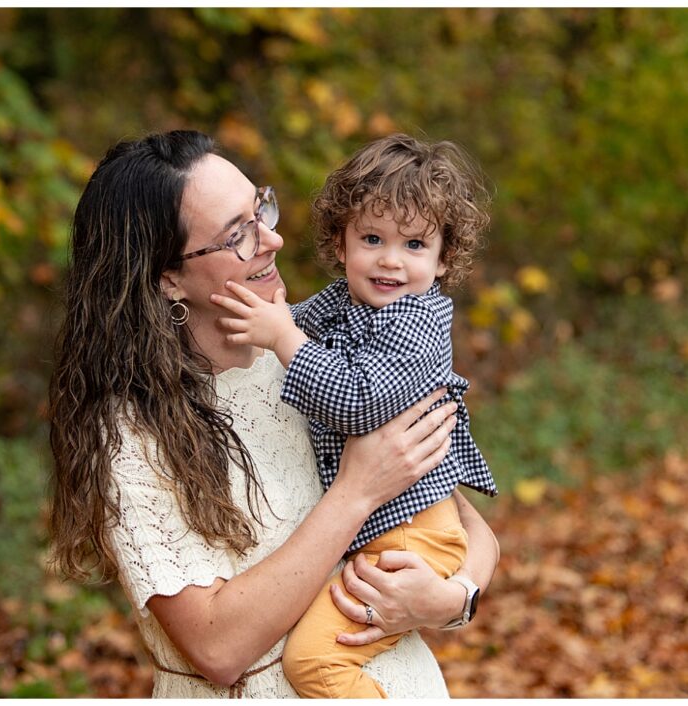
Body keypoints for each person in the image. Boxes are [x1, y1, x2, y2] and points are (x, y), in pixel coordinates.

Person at [46, 130, 498, 697]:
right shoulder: (131, 432)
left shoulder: (308, 353)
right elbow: (217, 649)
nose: (274, 239)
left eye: (260, 210)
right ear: (167, 277)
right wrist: (356, 493)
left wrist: (451, 600)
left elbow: (462, 520)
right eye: (238, 235)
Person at [212, 133, 500, 697]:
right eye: (372, 238)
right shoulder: (346, 299)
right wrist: (268, 323)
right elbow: (291, 319)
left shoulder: (417, 324)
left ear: (443, 261)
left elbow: (359, 399)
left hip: (415, 535)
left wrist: (283, 338)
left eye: (415, 245)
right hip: (385, 530)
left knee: (316, 662)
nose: (391, 260)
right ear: (341, 246)